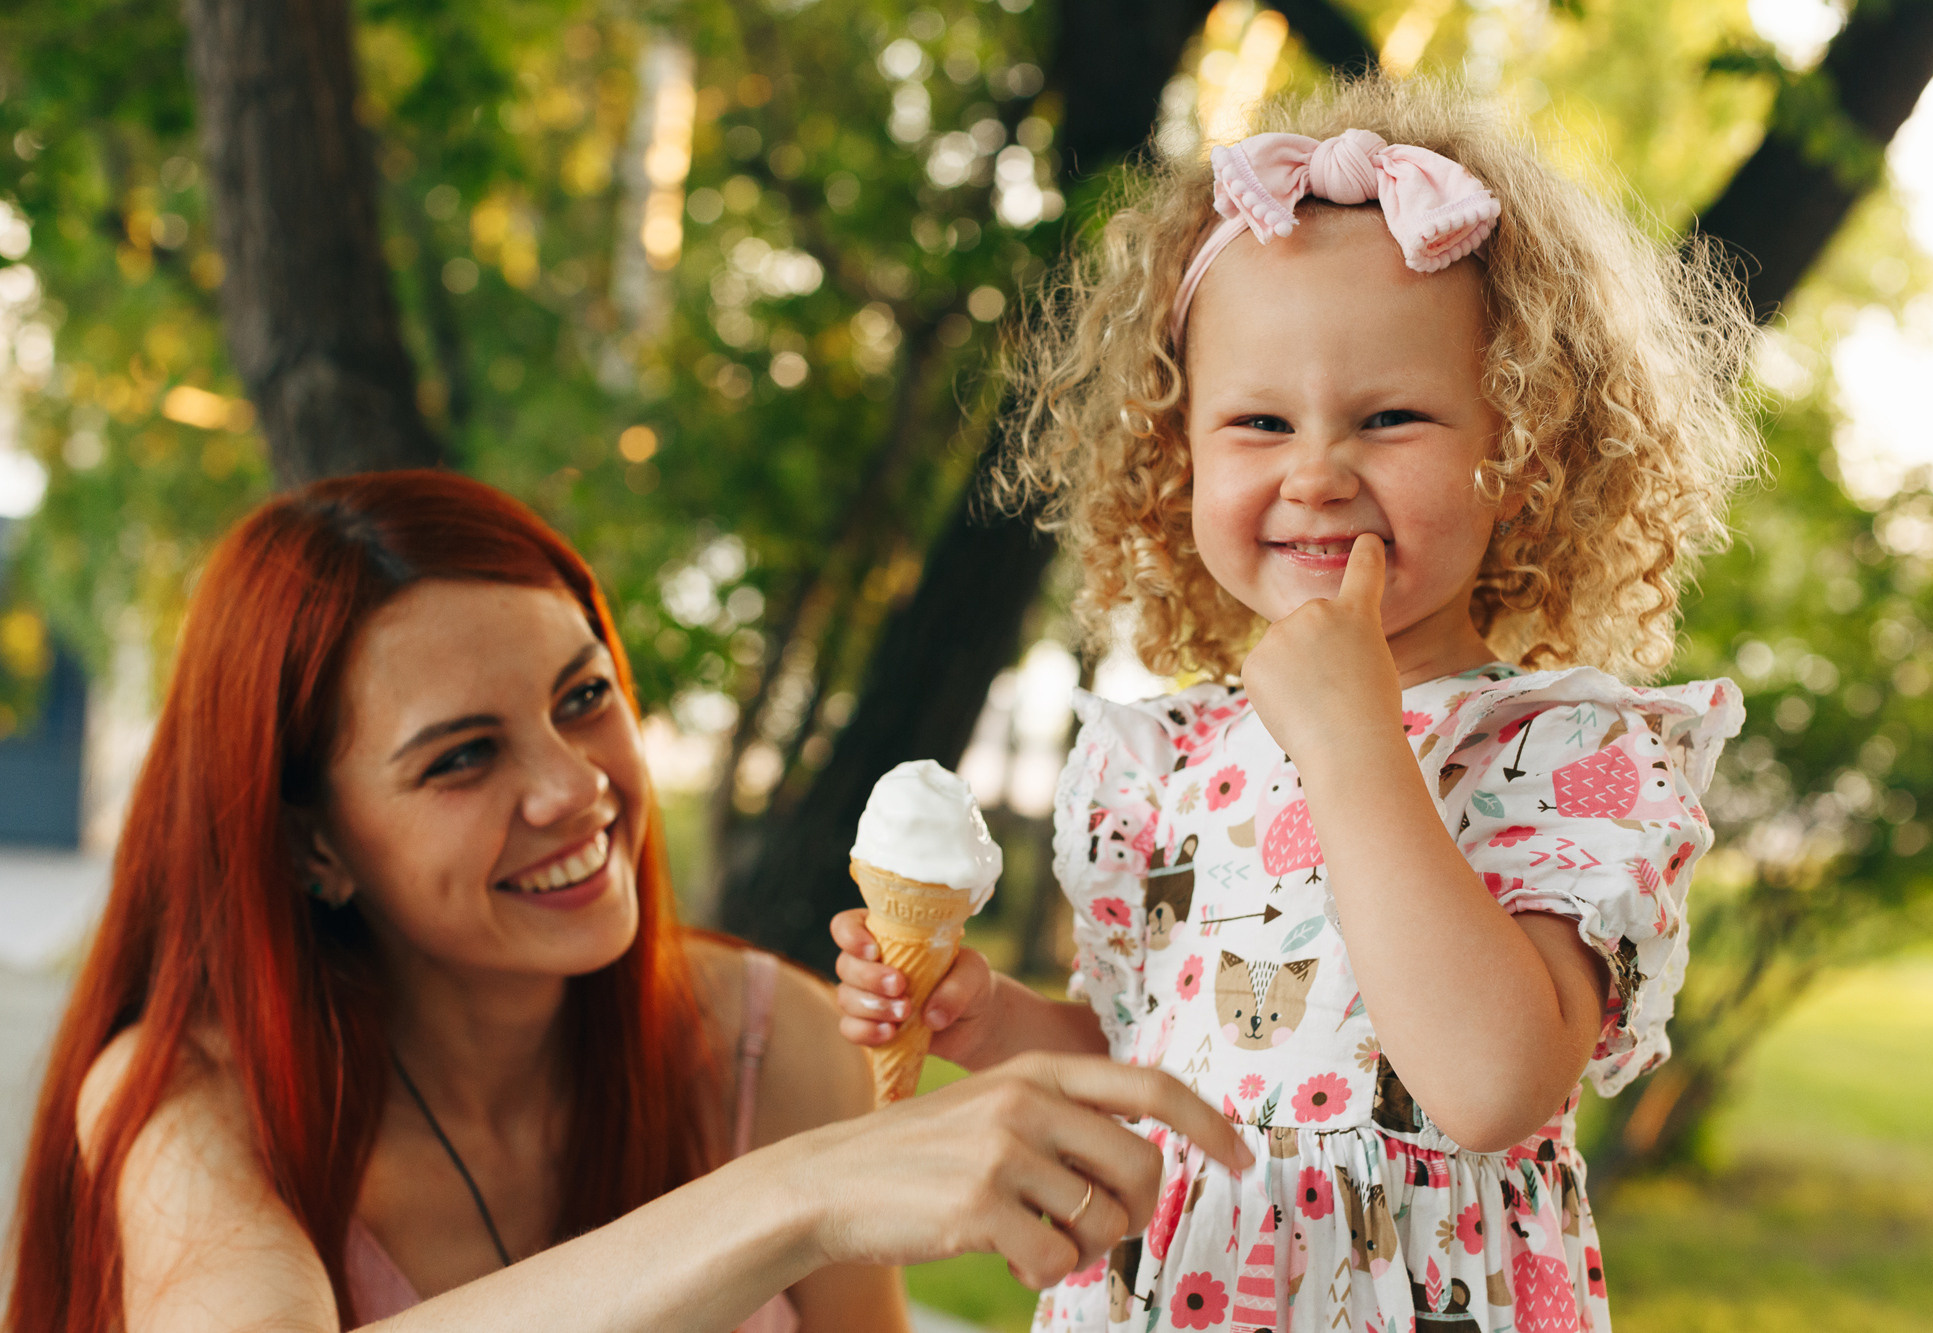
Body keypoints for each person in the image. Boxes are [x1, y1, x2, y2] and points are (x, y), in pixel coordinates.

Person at [833, 75, 1758, 1331]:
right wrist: (983, 1015)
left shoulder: (1565, 753)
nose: (1316, 474)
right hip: (1177, 1287)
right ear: (1179, 457)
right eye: (1259, 421)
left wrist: (1349, 741)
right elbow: (1149, 1058)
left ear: (1523, 452)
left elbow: (1491, 1086)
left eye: (1389, 418)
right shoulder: (1163, 759)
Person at [5, 471, 1253, 1333]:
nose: (572, 787)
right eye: (461, 756)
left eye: (582, 696)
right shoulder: (194, 1092)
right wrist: (795, 1196)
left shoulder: (774, 1038)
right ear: (311, 847)